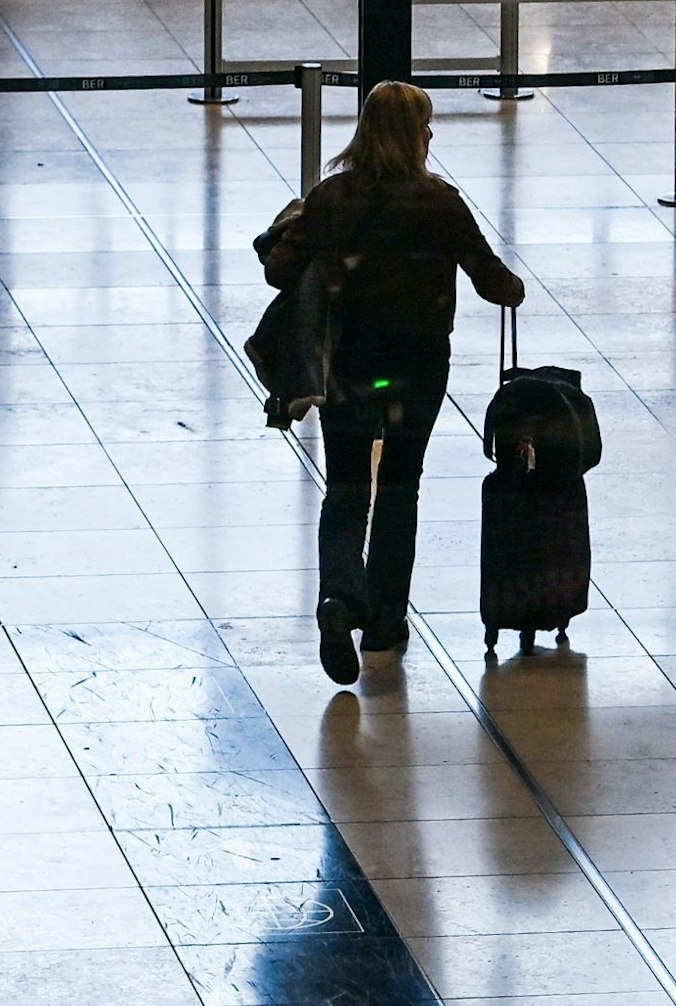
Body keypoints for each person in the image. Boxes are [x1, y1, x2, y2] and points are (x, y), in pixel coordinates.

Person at [264, 80, 526, 685]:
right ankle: (384, 618)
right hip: (417, 363)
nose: (431, 135)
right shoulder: (439, 202)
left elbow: (280, 271)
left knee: (347, 485)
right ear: (411, 134)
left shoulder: (330, 197)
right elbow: (491, 280)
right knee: (401, 484)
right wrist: (515, 289)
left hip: (349, 361)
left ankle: (338, 599)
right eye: (425, 125)